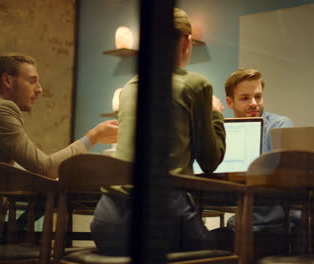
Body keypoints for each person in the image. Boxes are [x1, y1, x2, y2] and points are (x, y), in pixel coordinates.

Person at [90, 8, 226, 255]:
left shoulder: (130, 87)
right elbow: (210, 161)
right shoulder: (197, 85)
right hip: (164, 222)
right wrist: (216, 112)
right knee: (226, 245)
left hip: (107, 224)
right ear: (186, 42)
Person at [0, 53, 118, 247]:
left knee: (46, 197)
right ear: (7, 80)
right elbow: (46, 168)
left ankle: (15, 239)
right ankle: (18, 244)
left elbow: (22, 168)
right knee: (53, 200)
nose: (40, 90)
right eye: (32, 81)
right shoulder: (0, 109)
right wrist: (92, 137)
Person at [224, 68, 299, 230]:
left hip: (280, 223)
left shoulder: (280, 126)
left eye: (258, 96)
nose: (254, 103)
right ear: (230, 102)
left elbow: (286, 179)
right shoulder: (226, 130)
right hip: (242, 221)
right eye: (245, 98)